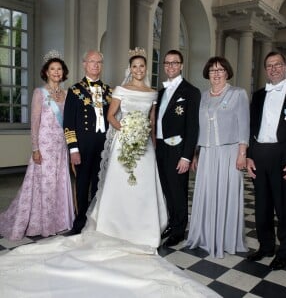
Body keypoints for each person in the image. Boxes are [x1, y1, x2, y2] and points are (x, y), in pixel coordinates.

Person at [86, 47, 168, 248]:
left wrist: (150, 142)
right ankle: (114, 225)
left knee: (143, 186)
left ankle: (144, 227)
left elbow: (152, 119)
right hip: (123, 141)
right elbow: (111, 116)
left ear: (146, 68)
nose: (138, 69)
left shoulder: (152, 93)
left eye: (142, 66)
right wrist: (127, 130)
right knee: (120, 184)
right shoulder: (120, 90)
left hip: (145, 146)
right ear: (129, 69)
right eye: (135, 66)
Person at [0, 50, 74, 240]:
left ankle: (59, 221)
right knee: (44, 184)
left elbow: (69, 122)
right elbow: (34, 122)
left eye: (59, 69)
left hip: (60, 146)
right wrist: (35, 148)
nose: (56, 72)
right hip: (44, 145)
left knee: (59, 182)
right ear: (46, 72)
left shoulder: (66, 94)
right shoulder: (39, 93)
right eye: (52, 69)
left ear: (63, 72)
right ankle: (42, 223)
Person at [186, 56, 249, 258]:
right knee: (207, 193)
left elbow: (244, 126)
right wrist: (195, 152)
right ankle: (204, 235)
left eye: (220, 69)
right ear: (207, 73)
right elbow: (198, 128)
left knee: (226, 194)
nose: (216, 73)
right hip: (206, 153)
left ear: (227, 72)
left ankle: (225, 238)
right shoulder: (203, 96)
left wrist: (242, 154)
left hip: (229, 153)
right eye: (212, 70)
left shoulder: (238, 94)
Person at [246, 51, 286, 270]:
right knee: (262, 206)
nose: (274, 68)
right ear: (265, 69)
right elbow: (250, 128)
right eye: (269, 65)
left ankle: (284, 250)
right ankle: (266, 246)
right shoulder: (258, 95)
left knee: (285, 206)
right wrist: (249, 155)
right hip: (260, 155)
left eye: (278, 64)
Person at [155, 49, 201, 247]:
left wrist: (186, 157)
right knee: (166, 189)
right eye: (167, 63)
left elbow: (193, 127)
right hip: (161, 148)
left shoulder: (191, 91)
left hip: (177, 149)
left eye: (174, 63)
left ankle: (179, 230)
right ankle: (173, 223)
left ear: (181, 65)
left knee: (178, 190)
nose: (170, 66)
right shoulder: (162, 91)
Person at [63, 50, 112, 234]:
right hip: (83, 146)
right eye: (92, 61)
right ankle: (80, 223)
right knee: (83, 185)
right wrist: (73, 149)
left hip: (103, 145)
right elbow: (68, 123)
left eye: (99, 62)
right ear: (84, 64)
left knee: (101, 184)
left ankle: (97, 222)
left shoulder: (109, 91)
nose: (95, 65)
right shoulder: (75, 91)